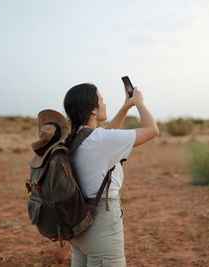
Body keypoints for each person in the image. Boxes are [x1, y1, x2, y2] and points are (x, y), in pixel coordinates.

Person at [63, 82, 159, 266]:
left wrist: (125, 107)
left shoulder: (75, 138)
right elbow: (152, 130)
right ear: (93, 110)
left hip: (78, 223)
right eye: (101, 100)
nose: (105, 104)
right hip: (101, 226)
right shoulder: (100, 140)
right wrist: (139, 103)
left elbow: (107, 135)